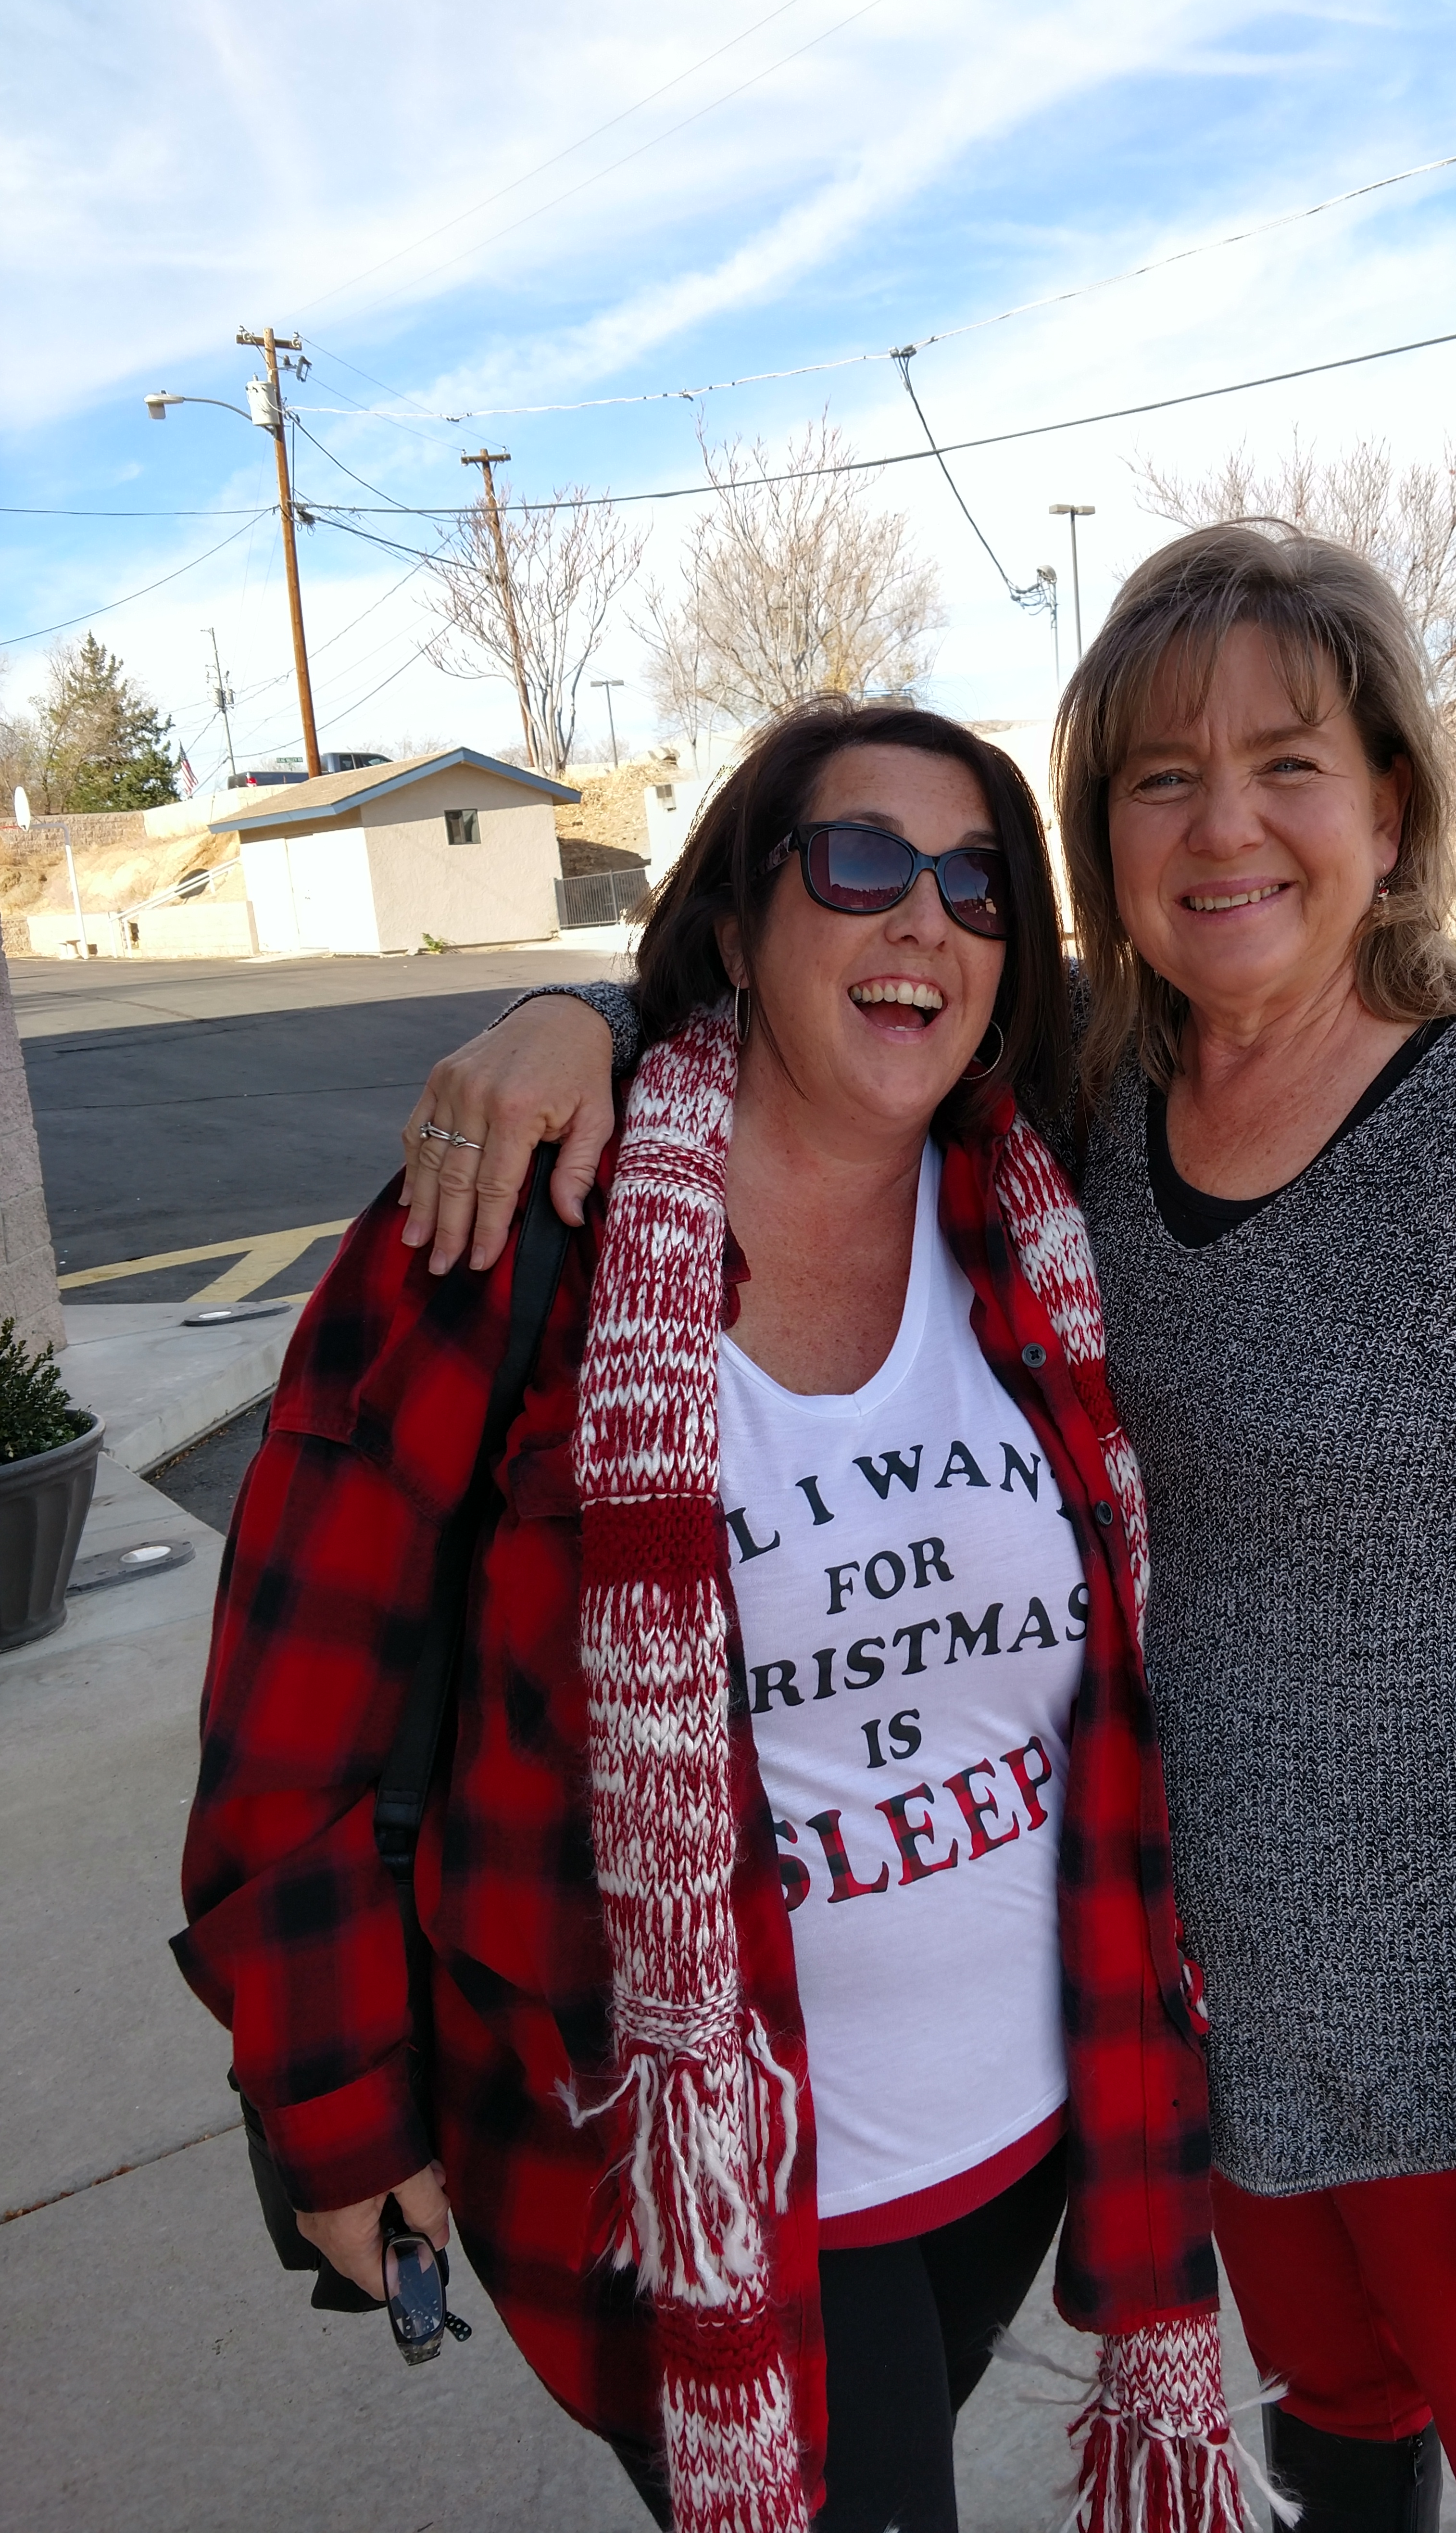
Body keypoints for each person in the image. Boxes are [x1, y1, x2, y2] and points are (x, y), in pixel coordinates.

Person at [400, 526, 1456, 2533]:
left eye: (1288, 762)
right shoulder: (1082, 1112)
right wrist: (581, 1018)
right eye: (1159, 777)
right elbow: (831, 1005)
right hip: (1204, 2061)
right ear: (1106, 840)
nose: (1229, 827)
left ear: (1387, 805)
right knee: (1342, 2453)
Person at [174, 698, 1245, 2533]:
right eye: (862, 864)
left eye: (981, 884)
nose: (927, 918)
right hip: (682, 2170)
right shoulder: (531, 1222)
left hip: (1020, 2138)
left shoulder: (1037, 1218)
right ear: (741, 925)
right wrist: (337, 2109)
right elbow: (295, 1708)